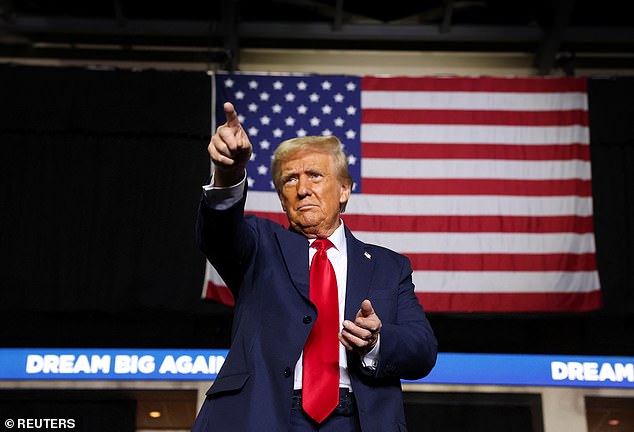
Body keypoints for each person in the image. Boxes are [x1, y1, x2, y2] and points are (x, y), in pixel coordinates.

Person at [193, 102, 438, 432]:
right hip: (263, 416)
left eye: (315, 176)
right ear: (282, 200)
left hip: (358, 420)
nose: (302, 189)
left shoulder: (388, 267)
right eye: (289, 180)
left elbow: (422, 350)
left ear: (344, 190)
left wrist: (375, 342)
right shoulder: (259, 245)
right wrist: (229, 172)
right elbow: (218, 233)